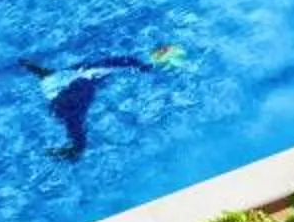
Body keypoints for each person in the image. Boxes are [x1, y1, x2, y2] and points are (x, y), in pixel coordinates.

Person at [19, 45, 185, 160]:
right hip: (72, 84)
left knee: (74, 114)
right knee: (74, 113)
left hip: (73, 83)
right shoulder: (68, 95)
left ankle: (152, 62)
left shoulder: (67, 93)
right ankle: (152, 62)